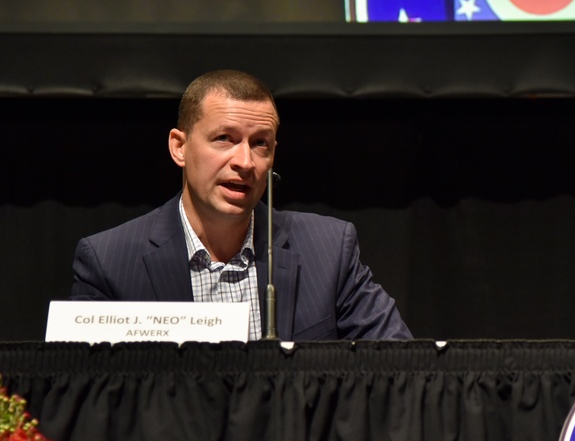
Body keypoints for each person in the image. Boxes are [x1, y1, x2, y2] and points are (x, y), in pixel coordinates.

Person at [71, 69, 412, 341]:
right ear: (179, 147)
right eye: (225, 139)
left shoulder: (329, 249)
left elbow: (400, 368)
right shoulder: (109, 262)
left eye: (260, 144)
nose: (245, 162)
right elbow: (87, 398)